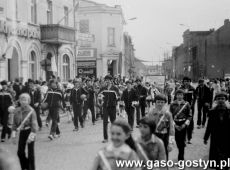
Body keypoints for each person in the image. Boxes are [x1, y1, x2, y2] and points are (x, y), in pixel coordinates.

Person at [204, 92, 230, 170]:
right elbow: (209, 126)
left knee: (226, 154)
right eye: (219, 99)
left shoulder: (229, 111)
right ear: (216, 100)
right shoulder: (212, 112)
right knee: (216, 156)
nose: (221, 100)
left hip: (227, 136)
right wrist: (206, 137)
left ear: (226, 100)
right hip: (215, 136)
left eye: (223, 99)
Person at [11, 93, 37, 170]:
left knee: (30, 153)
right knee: (20, 152)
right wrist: (13, 136)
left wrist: (31, 136)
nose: (23, 101)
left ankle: (31, 168)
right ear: (19, 101)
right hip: (22, 132)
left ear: (28, 101)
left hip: (30, 131)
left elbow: (34, 125)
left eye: (25, 100)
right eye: (22, 100)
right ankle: (25, 166)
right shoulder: (17, 110)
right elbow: (14, 124)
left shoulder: (31, 111)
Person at [147, 94, 174, 158]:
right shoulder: (151, 113)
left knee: (164, 155)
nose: (160, 104)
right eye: (158, 102)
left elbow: (172, 129)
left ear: (165, 103)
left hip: (165, 137)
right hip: (154, 136)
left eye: (162, 102)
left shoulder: (168, 114)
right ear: (155, 102)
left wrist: (171, 143)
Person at [169, 89, 192, 161]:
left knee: (181, 142)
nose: (179, 96)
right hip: (175, 124)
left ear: (183, 95)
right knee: (177, 140)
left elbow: (190, 115)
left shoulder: (187, 104)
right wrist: (174, 125)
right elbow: (170, 116)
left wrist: (185, 124)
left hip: (183, 124)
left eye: (181, 95)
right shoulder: (172, 104)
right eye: (178, 95)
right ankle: (181, 147)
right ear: (176, 95)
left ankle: (181, 158)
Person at [99, 75, 120, 143]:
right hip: (105, 107)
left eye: (108, 80)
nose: (107, 81)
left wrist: (117, 107)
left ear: (111, 80)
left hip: (113, 107)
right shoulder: (103, 88)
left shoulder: (115, 88)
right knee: (105, 122)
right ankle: (105, 138)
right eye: (106, 80)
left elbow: (118, 98)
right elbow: (99, 95)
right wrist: (101, 101)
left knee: (113, 123)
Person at [179, 77, 196, 144]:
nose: (186, 82)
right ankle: (183, 138)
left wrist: (192, 106)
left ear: (190, 82)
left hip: (190, 107)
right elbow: (176, 97)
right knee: (182, 121)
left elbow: (194, 98)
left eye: (188, 81)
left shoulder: (192, 89)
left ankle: (189, 138)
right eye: (185, 81)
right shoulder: (180, 88)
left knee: (190, 121)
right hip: (182, 107)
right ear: (183, 82)